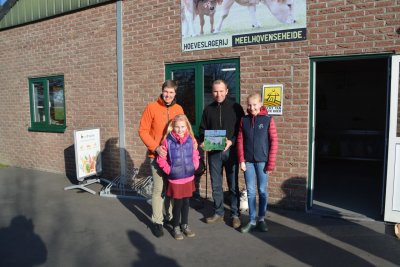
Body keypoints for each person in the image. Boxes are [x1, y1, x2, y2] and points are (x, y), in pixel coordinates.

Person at [138, 80, 184, 238]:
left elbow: (184, 130)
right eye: (166, 92)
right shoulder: (151, 107)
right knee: (158, 190)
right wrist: (155, 147)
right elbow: (143, 131)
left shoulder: (179, 109)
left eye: (171, 93)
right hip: (157, 156)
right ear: (162, 91)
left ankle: (170, 217)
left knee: (171, 190)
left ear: (175, 93)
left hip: (175, 158)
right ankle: (157, 221)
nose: (168, 95)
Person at [199, 79, 245, 228]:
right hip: (214, 153)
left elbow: (241, 130)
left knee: (233, 185)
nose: (218, 94)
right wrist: (203, 142)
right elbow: (202, 130)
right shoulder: (208, 109)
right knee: (216, 185)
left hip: (231, 152)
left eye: (221, 91)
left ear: (226, 91)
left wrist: (231, 141)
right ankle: (218, 212)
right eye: (215, 91)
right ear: (212, 92)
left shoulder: (236, 108)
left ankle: (235, 214)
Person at [236, 93, 278, 233]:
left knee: (262, 190)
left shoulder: (268, 119)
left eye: (254, 105)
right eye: (249, 105)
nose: (252, 107)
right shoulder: (244, 120)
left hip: (263, 162)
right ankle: (252, 220)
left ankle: (261, 219)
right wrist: (241, 160)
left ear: (260, 105)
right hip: (248, 162)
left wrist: (270, 163)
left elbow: (274, 142)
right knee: (251, 192)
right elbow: (240, 141)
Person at [157, 114, 200, 240]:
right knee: (177, 204)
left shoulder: (191, 140)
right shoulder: (167, 141)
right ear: (172, 127)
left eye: (182, 127)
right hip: (175, 178)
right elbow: (161, 159)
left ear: (187, 127)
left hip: (188, 177)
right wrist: (170, 170)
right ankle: (176, 226)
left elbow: (195, 154)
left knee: (186, 202)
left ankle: (185, 225)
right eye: (177, 127)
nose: (180, 130)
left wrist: (194, 166)